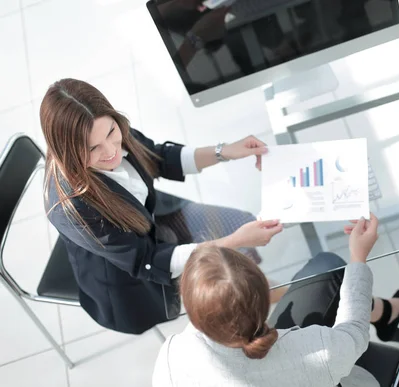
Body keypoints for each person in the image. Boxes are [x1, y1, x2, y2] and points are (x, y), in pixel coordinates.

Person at [41, 78, 283, 335]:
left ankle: (263, 291)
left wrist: (226, 151)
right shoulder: (74, 208)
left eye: (112, 133)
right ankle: (261, 297)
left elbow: (159, 158)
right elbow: (148, 260)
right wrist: (232, 241)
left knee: (240, 227)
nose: (112, 150)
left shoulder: (110, 130)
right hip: (132, 276)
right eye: (93, 148)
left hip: (154, 220)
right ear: (68, 151)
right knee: (225, 282)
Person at [152, 214, 399, 387]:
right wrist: (358, 258)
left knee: (326, 268)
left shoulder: (172, 356)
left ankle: (387, 314)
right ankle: (389, 313)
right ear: (264, 298)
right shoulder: (313, 352)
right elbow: (353, 335)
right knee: (329, 267)